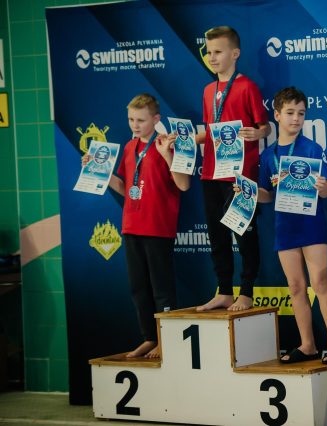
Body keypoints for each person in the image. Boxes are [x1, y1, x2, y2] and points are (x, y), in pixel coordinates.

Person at [83, 93, 190, 358]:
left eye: (141, 120)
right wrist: (99, 171)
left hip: (157, 227)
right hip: (131, 226)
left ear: (156, 119)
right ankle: (149, 338)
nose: (135, 125)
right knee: (138, 287)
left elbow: (183, 185)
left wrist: (167, 156)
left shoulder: (167, 145)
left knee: (161, 288)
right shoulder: (130, 147)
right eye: (131, 119)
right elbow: (125, 187)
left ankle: (167, 339)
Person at [256, 86, 327, 364]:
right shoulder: (267, 156)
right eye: (290, 113)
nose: (296, 118)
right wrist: (251, 193)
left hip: (312, 226)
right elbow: (267, 195)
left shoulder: (312, 148)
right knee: (296, 287)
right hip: (285, 229)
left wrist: (322, 186)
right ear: (277, 115)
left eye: (301, 113)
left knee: (320, 283)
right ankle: (307, 345)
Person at [195, 26, 271, 312]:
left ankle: (247, 291)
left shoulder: (247, 86)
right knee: (217, 235)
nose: (212, 57)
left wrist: (259, 133)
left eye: (218, 52)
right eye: (209, 52)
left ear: (235, 53)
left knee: (244, 233)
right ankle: (224, 290)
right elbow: (210, 131)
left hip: (240, 174)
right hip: (211, 172)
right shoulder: (208, 90)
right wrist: (186, 140)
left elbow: (265, 126)